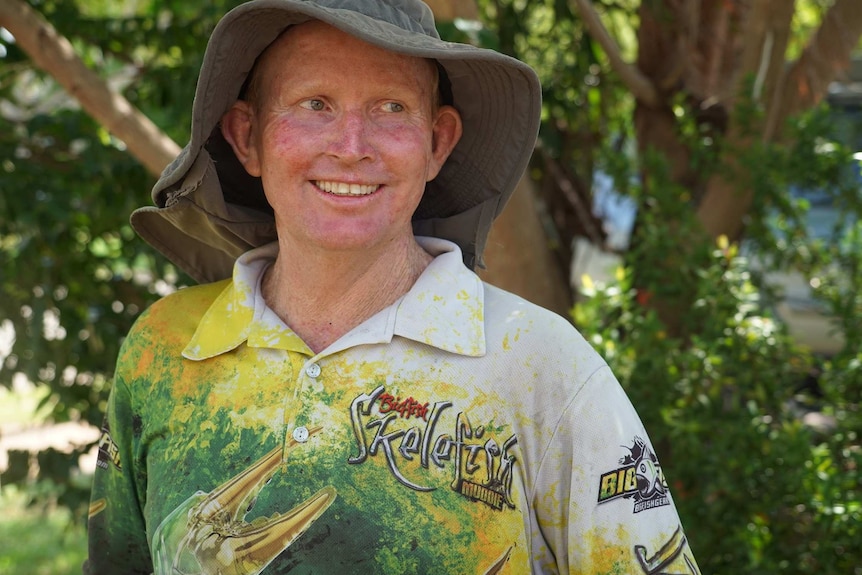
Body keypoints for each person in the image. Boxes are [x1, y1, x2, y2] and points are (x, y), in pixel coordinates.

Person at [85, 1, 701, 573]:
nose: (351, 149)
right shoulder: (162, 348)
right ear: (247, 137)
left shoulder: (541, 367)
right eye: (314, 104)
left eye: (391, 108)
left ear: (438, 143)